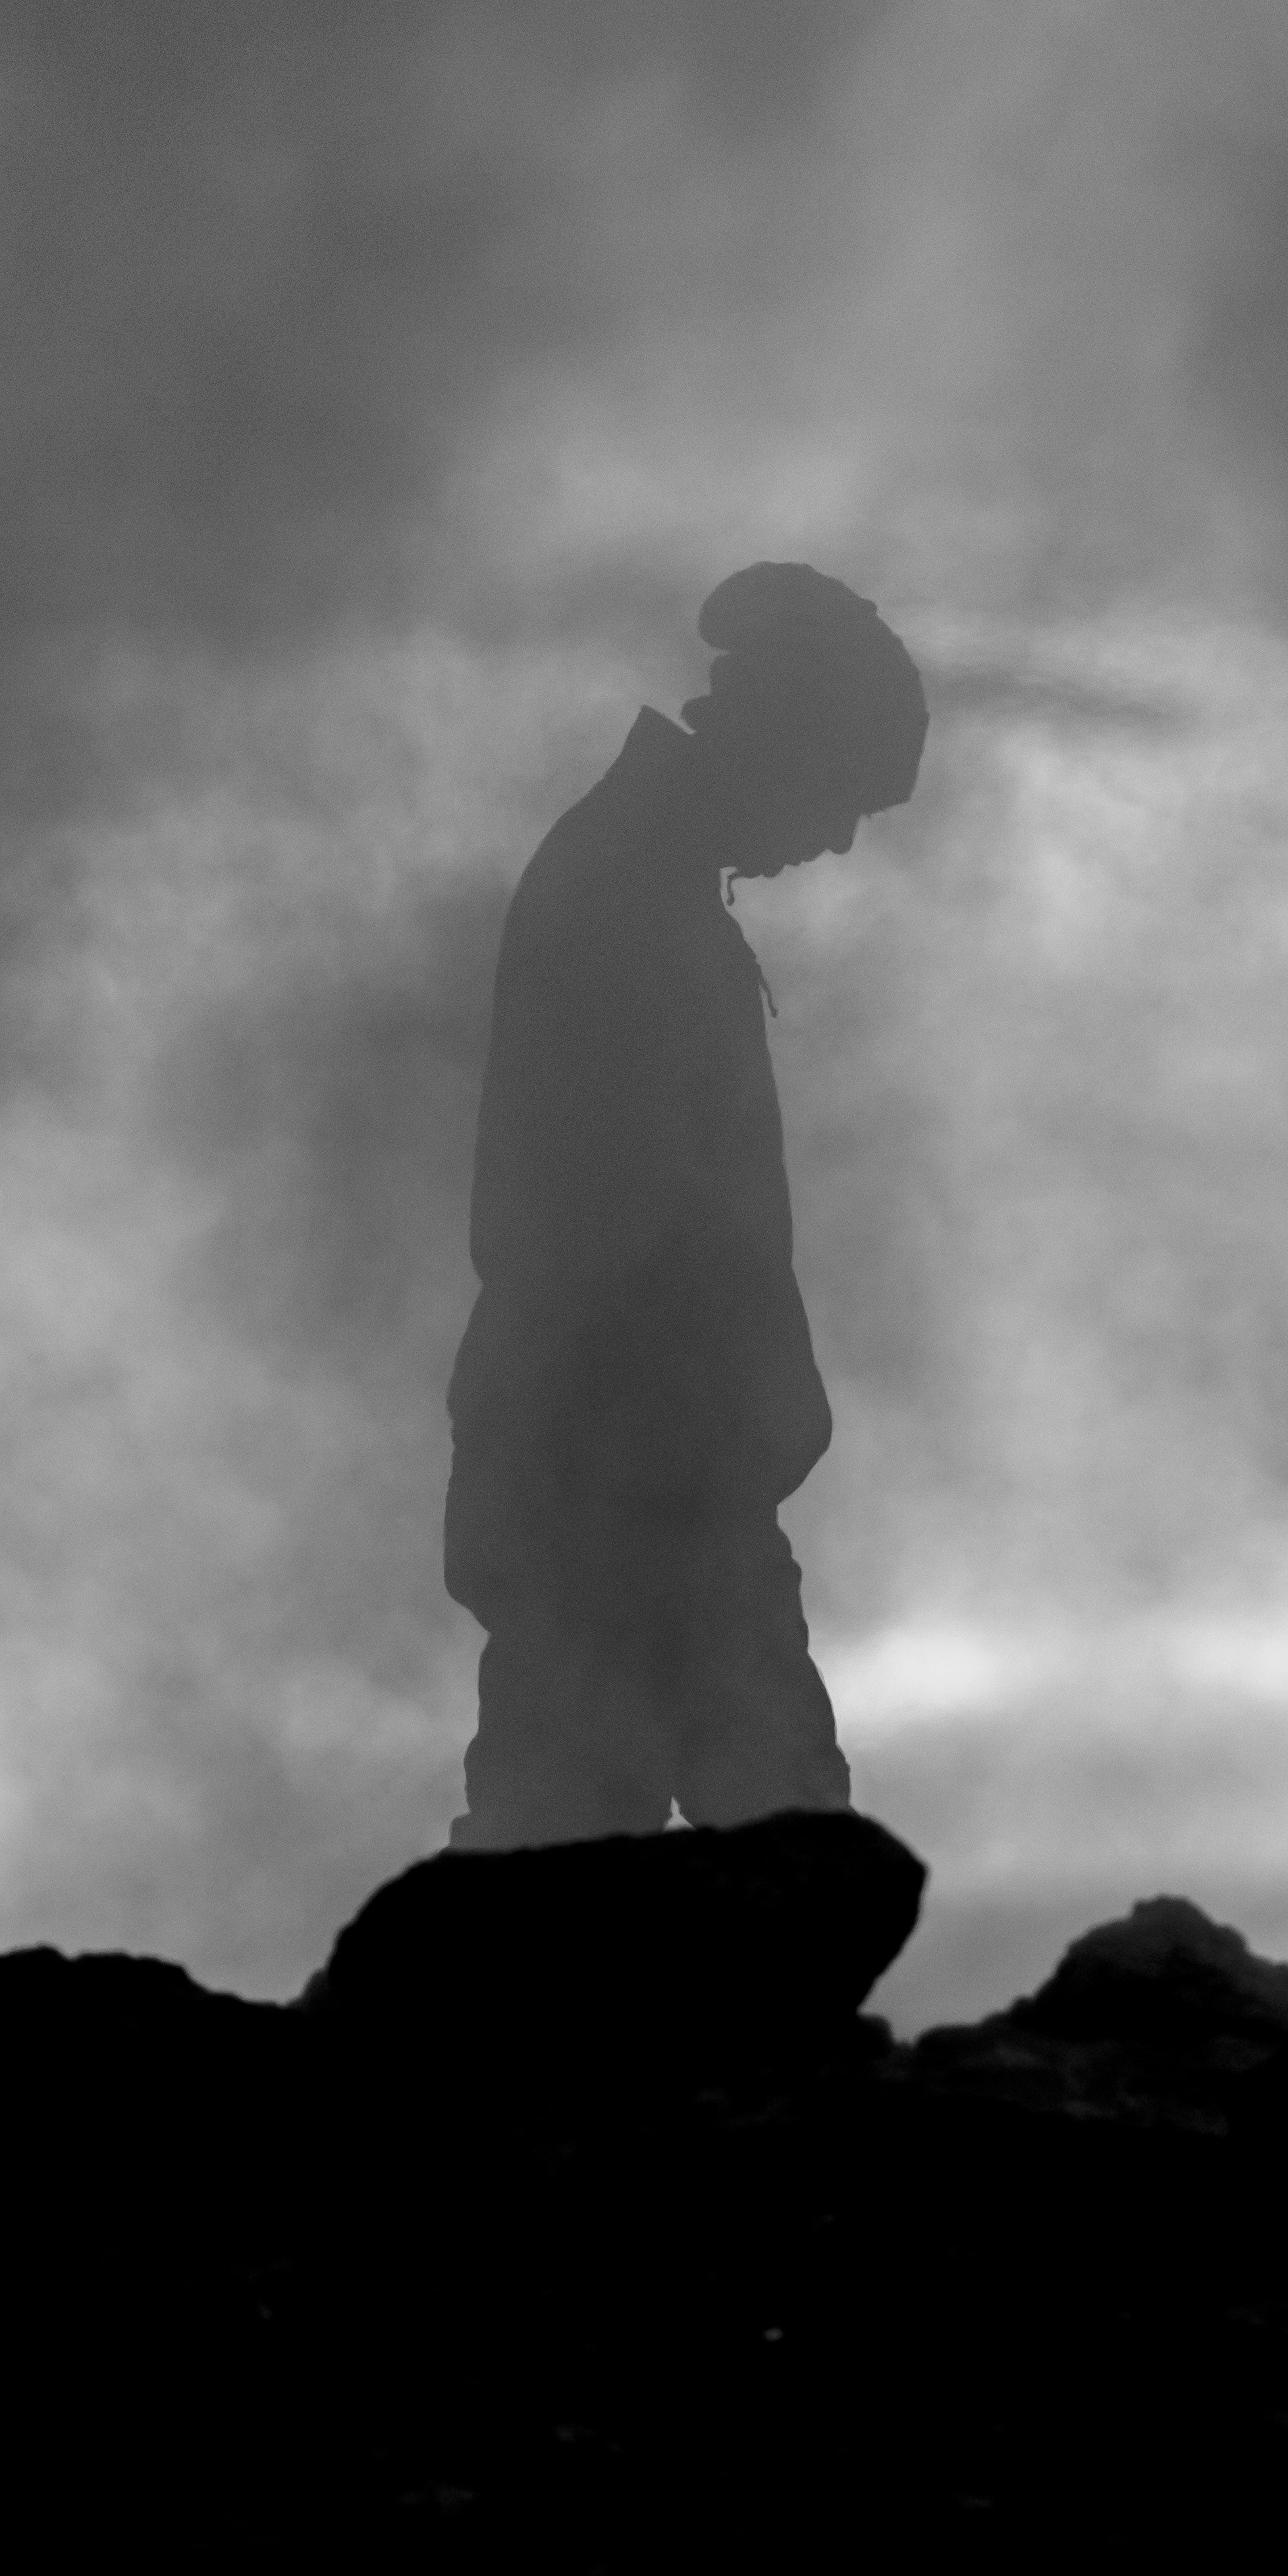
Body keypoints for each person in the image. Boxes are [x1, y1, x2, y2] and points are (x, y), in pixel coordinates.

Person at [439, 562, 925, 1848]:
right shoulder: (623, 903)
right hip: (631, 1481)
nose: (838, 839)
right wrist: (706, 1441)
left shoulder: (642, 885)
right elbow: (612, 1233)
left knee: (605, 1851)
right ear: (785, 744)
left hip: (643, 1470)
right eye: (843, 793)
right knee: (652, 1860)